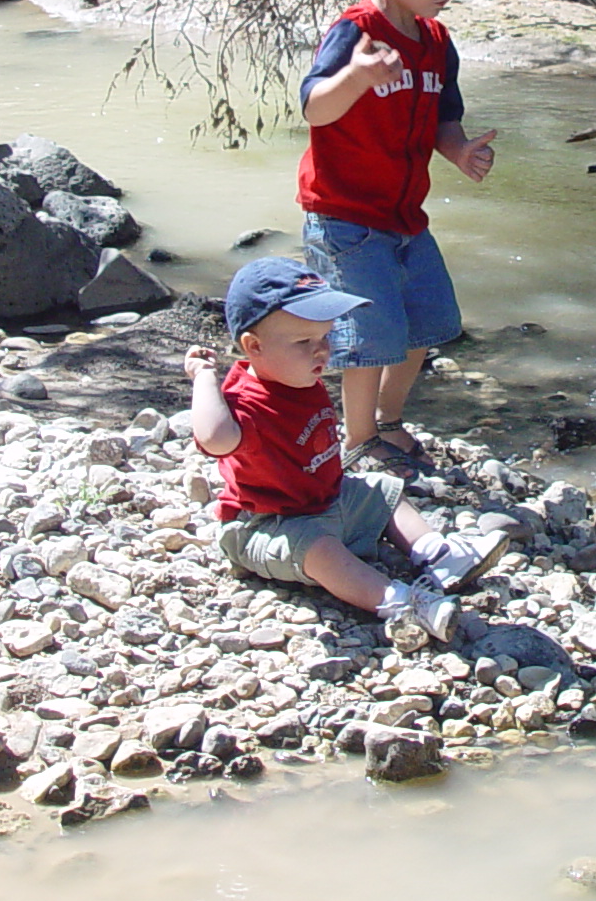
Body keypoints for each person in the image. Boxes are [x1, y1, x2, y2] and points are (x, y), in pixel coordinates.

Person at [189, 257, 504, 642]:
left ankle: (436, 553)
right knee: (323, 553)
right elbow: (214, 438)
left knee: (384, 492)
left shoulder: (299, 374)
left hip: (328, 497)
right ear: (253, 346)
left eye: (326, 337)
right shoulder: (248, 401)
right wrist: (204, 377)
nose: (322, 352)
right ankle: (402, 604)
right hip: (271, 523)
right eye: (304, 342)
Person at [297, 0, 497, 470]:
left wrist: (458, 150)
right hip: (345, 217)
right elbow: (313, 108)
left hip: (407, 216)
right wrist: (356, 78)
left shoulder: (436, 42)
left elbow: (443, 114)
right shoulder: (355, 33)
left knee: (422, 325)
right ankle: (359, 438)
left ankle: (390, 420)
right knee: (367, 334)